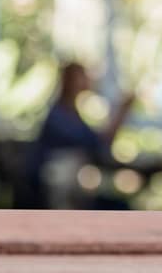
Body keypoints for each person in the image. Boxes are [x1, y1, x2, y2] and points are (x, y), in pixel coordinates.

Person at [16, 61, 136, 209]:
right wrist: (121, 114)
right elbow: (97, 143)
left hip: (70, 192)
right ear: (69, 81)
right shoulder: (58, 117)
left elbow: (100, 145)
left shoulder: (72, 114)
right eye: (82, 76)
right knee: (119, 209)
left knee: (121, 206)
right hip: (52, 195)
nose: (87, 80)